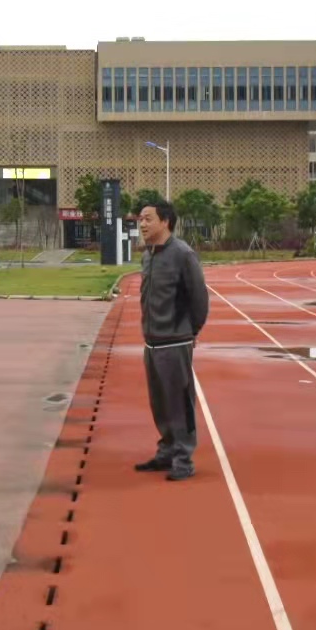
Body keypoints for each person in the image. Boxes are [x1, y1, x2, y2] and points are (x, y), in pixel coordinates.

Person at [131, 198, 209, 481]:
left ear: (165, 221)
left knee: (179, 403)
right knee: (160, 402)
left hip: (175, 341)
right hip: (151, 342)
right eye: (140, 219)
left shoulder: (183, 254)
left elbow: (199, 298)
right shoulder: (148, 255)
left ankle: (183, 459)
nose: (142, 224)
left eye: (148, 219)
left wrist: (190, 331)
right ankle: (166, 450)